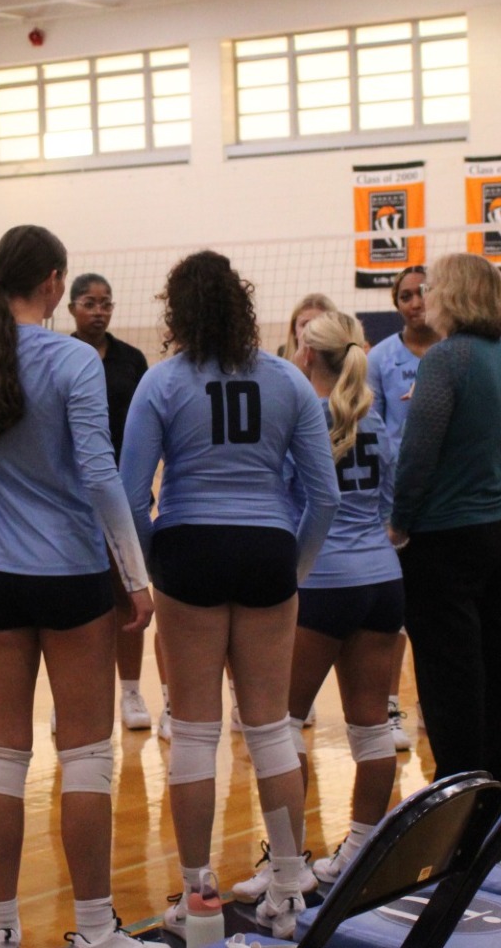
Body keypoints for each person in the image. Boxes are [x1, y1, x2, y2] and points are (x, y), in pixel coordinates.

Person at [121, 250, 339, 940]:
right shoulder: (289, 381)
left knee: (193, 733)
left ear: (176, 312)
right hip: (269, 551)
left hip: (189, 550)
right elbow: (323, 495)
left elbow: (130, 495)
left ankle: (198, 896)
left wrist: (152, 569)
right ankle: (286, 888)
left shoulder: (161, 382)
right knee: (271, 729)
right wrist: (293, 571)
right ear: (244, 304)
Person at [0, 225, 153, 948]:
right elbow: (100, 474)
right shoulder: (73, 359)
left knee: (3, 757)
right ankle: (94, 929)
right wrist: (135, 573)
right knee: (86, 756)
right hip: (70, 575)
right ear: (56, 284)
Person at [389, 253, 501, 792]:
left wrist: (399, 521)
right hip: (498, 526)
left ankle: (462, 789)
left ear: (453, 295)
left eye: (432, 289)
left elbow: (419, 450)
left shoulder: (445, 359)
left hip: (445, 534)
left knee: (449, 669)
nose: (423, 298)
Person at [284, 310, 403, 886]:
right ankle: (361, 850)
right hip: (382, 581)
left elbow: (290, 506)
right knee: (372, 726)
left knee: (281, 727)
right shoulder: (375, 420)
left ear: (307, 354)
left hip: (322, 584)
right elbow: (391, 504)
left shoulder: (303, 420)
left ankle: (288, 865)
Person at [67, 272, 157, 732]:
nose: (98, 311)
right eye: (89, 303)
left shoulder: (132, 360)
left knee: (129, 593)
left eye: (106, 303)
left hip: (126, 493)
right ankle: (78, 698)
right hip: (73, 498)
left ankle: (131, 692)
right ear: (70, 308)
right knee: (79, 600)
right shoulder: (60, 357)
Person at [363, 265, 435, 752]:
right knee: (397, 613)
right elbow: (375, 430)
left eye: (423, 293)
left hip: (447, 501)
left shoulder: (455, 350)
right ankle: (389, 705)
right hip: (396, 501)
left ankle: (435, 702)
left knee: (437, 612)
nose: (415, 302)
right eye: (406, 295)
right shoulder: (382, 358)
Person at [279, 292, 339, 359]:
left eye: (319, 324)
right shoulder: (279, 365)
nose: (311, 331)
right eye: (305, 324)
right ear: (294, 330)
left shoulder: (344, 365)